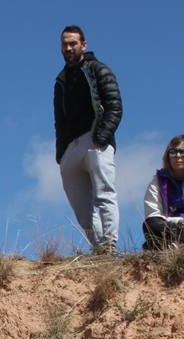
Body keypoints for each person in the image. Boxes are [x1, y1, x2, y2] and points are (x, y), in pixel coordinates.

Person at [54, 25, 122, 252]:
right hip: (70, 148)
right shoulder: (61, 80)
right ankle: (100, 248)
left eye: (73, 43)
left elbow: (114, 104)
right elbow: (58, 121)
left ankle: (110, 244)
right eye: (64, 44)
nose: (68, 48)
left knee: (104, 194)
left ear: (84, 44)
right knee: (82, 209)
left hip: (95, 140)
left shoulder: (98, 69)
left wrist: (102, 136)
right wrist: (60, 154)